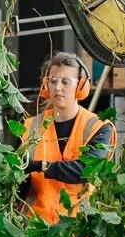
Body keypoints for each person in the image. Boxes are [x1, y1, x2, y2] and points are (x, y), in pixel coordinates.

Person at [22, 51, 117, 224]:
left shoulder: (98, 127)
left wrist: (40, 166)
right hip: (35, 229)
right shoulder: (30, 127)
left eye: (65, 82)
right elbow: (22, 179)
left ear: (81, 87)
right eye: (53, 81)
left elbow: (86, 170)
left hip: (79, 231)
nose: (58, 87)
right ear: (46, 85)